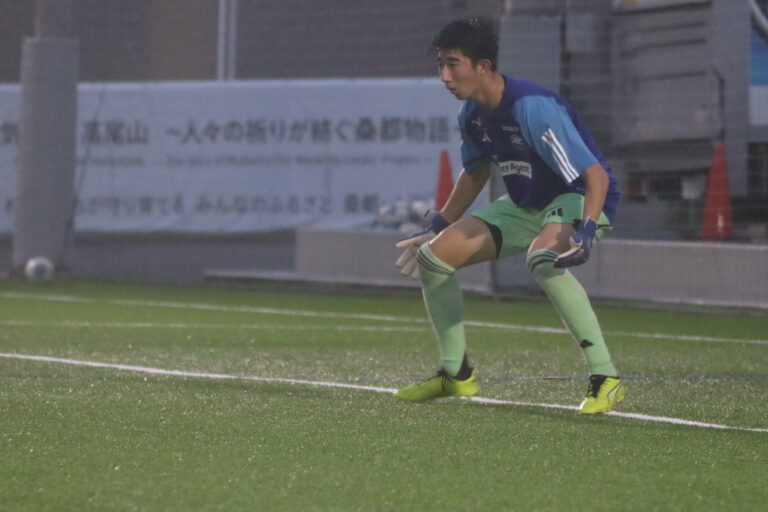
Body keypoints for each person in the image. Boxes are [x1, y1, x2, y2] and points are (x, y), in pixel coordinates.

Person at [393, 17, 624, 414]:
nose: (445, 77)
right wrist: (440, 224)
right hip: (525, 204)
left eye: (453, 64)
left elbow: (595, 176)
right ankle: (456, 373)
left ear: (483, 66)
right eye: (440, 66)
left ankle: (606, 378)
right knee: (433, 259)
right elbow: (475, 172)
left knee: (543, 259)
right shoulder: (472, 114)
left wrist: (587, 229)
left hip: (580, 197)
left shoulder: (532, 109)